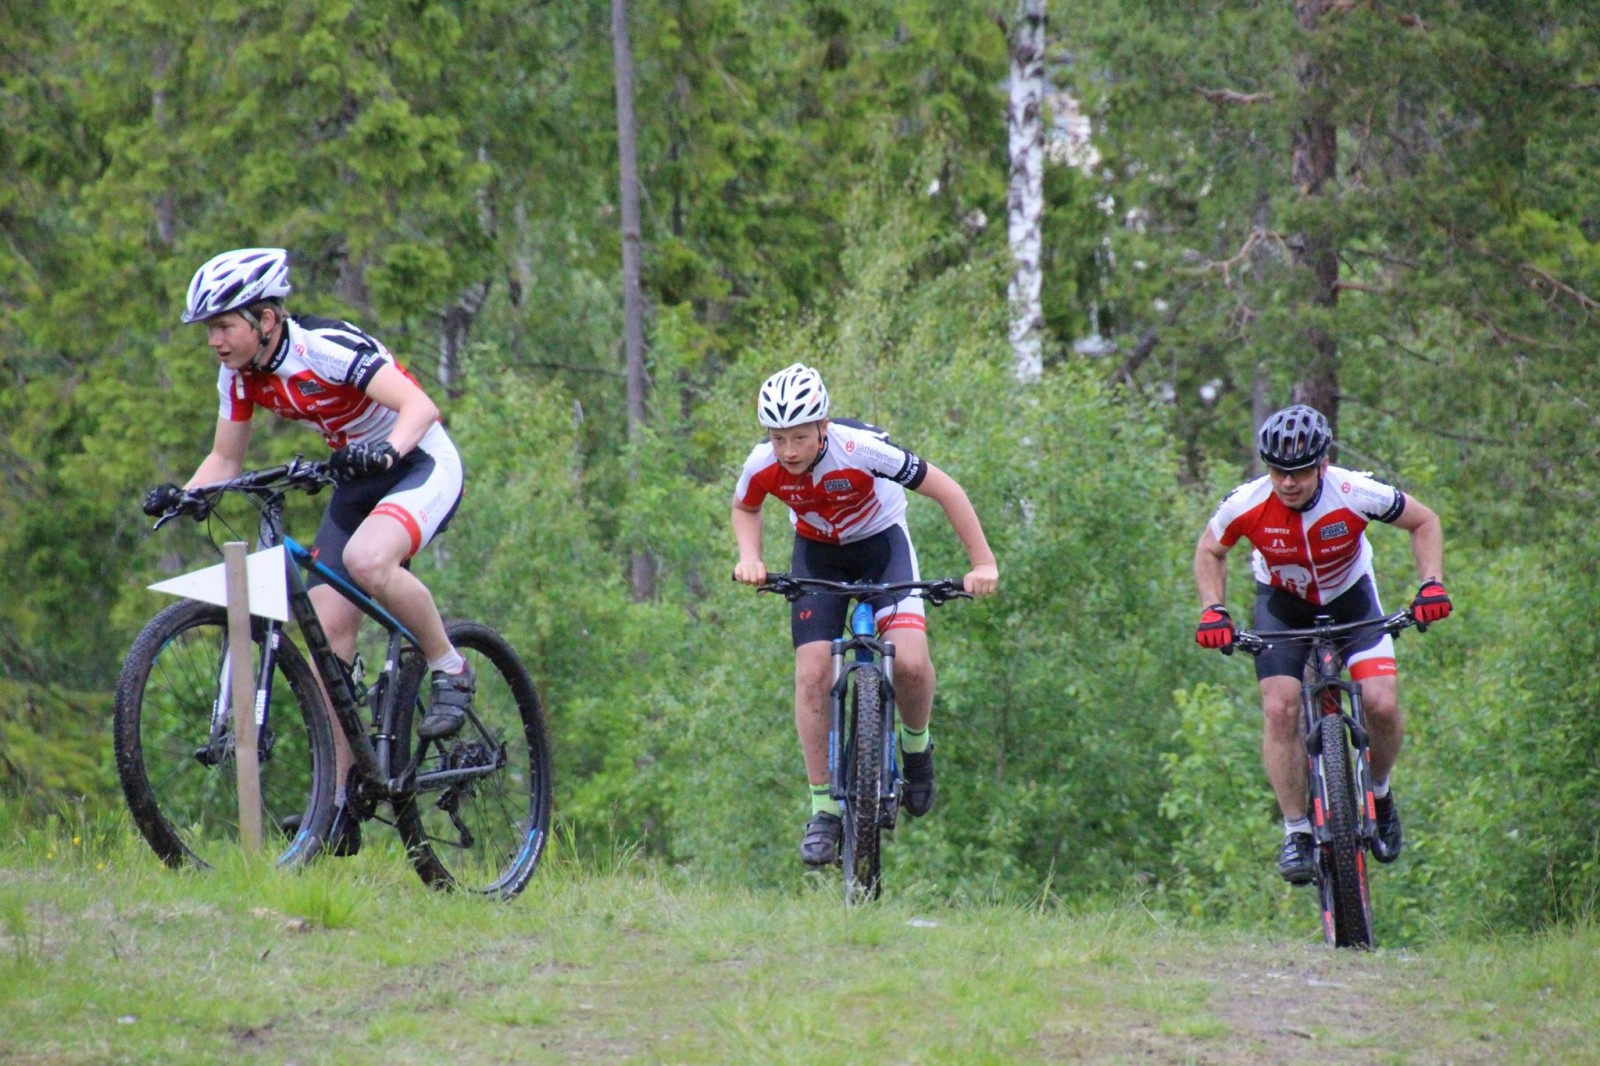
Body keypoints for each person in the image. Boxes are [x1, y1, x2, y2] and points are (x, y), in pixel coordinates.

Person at [142, 247, 477, 855]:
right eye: (208, 329)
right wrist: (183, 498)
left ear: (266, 319)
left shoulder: (323, 348)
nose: (214, 340)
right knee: (326, 638)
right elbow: (226, 460)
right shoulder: (239, 374)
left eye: (223, 325)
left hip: (420, 460)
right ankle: (342, 800)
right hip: (355, 476)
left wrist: (387, 451)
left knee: (368, 562)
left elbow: (420, 408)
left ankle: (449, 667)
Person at [731, 363, 999, 866]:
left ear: (823, 428)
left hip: (882, 548)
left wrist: (982, 563)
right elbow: (746, 508)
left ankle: (916, 748)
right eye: (779, 437)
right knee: (811, 676)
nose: (788, 451)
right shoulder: (761, 463)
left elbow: (947, 490)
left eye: (800, 437)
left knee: (913, 664)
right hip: (817, 554)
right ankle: (823, 812)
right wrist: (751, 557)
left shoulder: (860, 449)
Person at [1192, 403, 1452, 884]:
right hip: (1282, 605)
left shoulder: (1354, 491)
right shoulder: (1245, 504)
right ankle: (1296, 832)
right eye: (1277, 472)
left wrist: (1431, 584)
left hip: (1353, 601)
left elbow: (1425, 521)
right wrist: (1215, 610)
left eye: (1299, 472)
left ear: (1323, 464)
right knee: (1280, 708)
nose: (1287, 483)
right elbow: (1210, 550)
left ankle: (1378, 789)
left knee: (1382, 704)